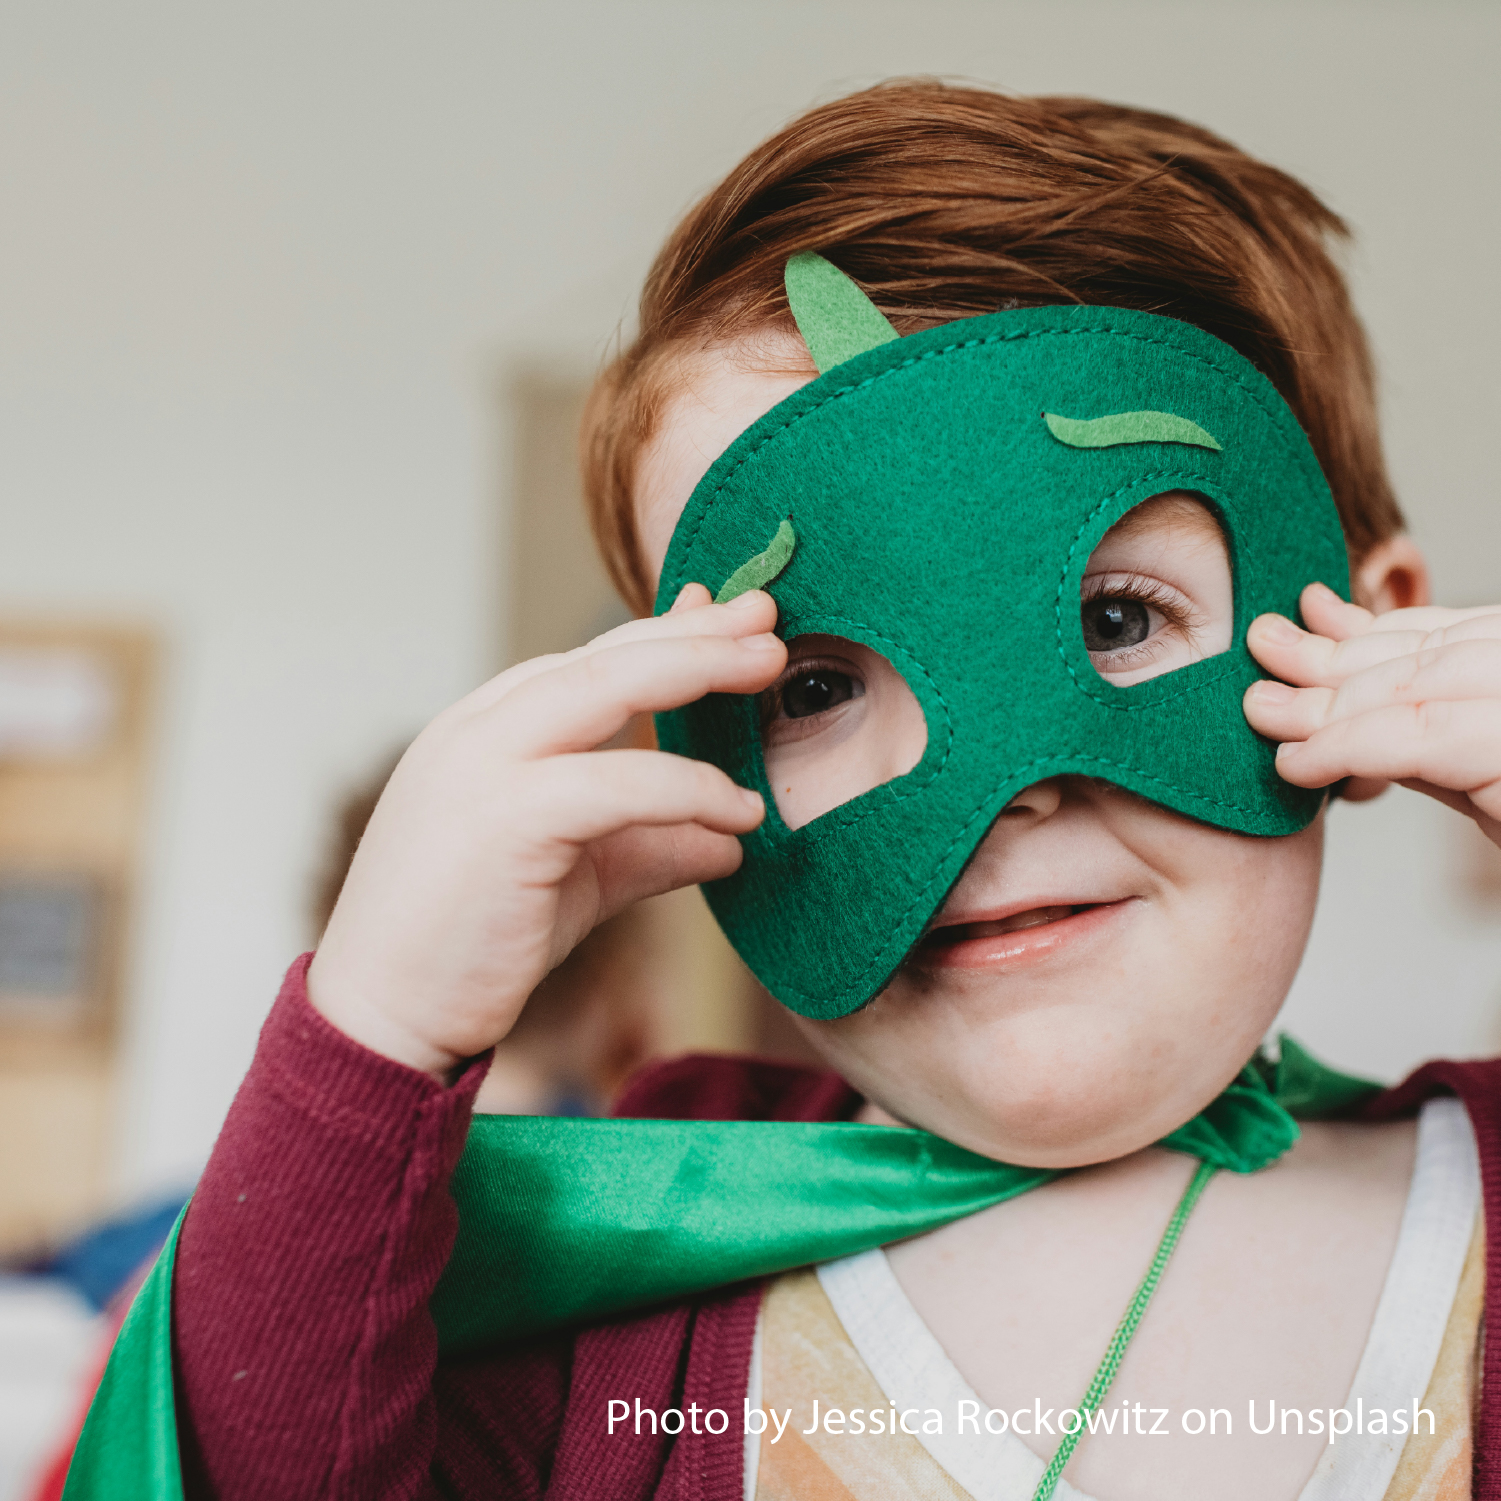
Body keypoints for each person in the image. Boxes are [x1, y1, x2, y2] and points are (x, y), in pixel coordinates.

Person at [99, 83, 1501, 1501]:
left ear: (1374, 639)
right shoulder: (609, 1297)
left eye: (1120, 618)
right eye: (812, 689)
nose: (995, 796)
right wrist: (370, 1032)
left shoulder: (1481, 1205)